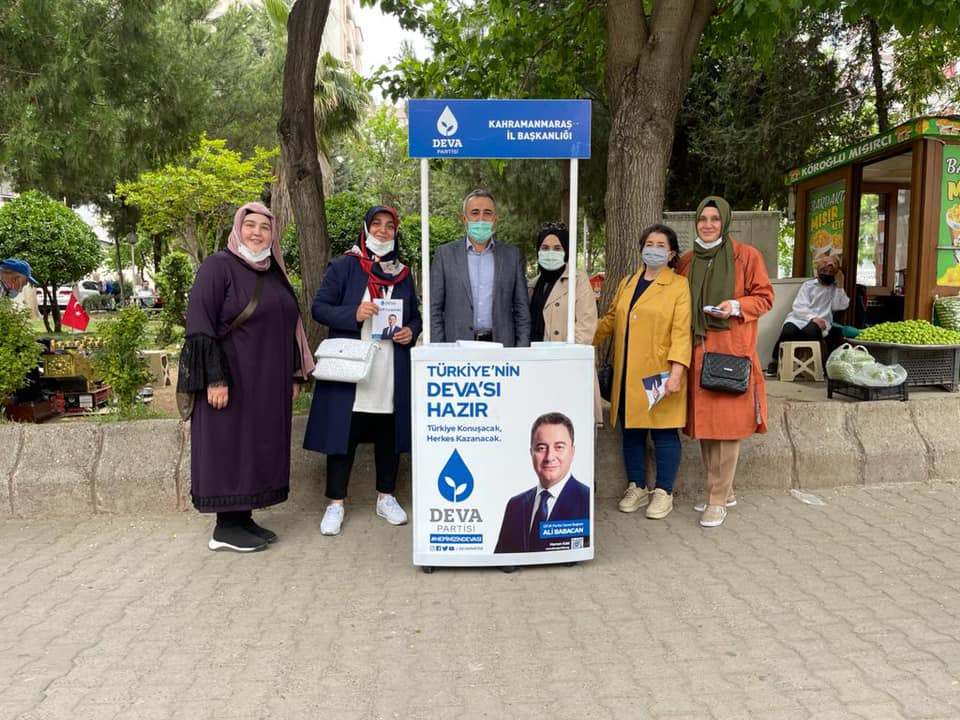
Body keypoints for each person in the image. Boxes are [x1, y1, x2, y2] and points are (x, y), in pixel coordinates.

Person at [179, 202, 315, 552]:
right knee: (229, 446)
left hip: (265, 382)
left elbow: (288, 325)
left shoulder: (273, 273)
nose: (257, 233)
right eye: (250, 225)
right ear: (238, 229)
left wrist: (293, 375)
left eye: (265, 227)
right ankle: (225, 528)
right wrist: (214, 379)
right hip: (230, 380)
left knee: (253, 447)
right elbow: (199, 324)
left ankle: (242, 518)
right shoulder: (218, 267)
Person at [304, 205, 422, 536]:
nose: (383, 231)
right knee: (345, 434)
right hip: (352, 367)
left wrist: (411, 331)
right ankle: (335, 503)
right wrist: (353, 314)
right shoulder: (345, 266)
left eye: (390, 226)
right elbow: (319, 308)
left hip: (390, 366)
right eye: (377, 224)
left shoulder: (403, 273)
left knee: (388, 433)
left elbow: (415, 316)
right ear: (366, 229)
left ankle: (386, 497)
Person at [677, 196, 774, 528]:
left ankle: (716, 500)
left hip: (731, 350)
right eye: (703, 219)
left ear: (725, 222)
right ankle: (724, 490)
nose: (708, 225)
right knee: (706, 426)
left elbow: (765, 297)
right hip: (698, 351)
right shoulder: (688, 260)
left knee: (728, 428)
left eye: (715, 219)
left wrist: (734, 306)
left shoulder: (746, 256)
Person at [593, 224, 691, 520]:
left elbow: (681, 333)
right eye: (650, 244)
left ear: (671, 253)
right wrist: (583, 337)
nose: (654, 250)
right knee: (631, 431)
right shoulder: (627, 282)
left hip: (660, 374)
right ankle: (637, 486)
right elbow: (611, 319)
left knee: (664, 432)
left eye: (661, 245)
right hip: (627, 373)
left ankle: (663, 491)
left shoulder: (678, 286)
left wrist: (677, 373)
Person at [430, 189, 531, 346]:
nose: (481, 219)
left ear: (495, 220)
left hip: (502, 348)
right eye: (475, 213)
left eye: (488, 213)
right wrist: (440, 349)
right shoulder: (445, 255)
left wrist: (521, 349)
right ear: (464, 219)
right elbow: (434, 309)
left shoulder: (512, 256)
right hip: (457, 348)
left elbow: (522, 309)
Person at [528, 223, 602, 423]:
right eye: (545, 248)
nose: (550, 253)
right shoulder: (533, 285)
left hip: (568, 367)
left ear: (566, 251)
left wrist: (566, 358)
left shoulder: (578, 280)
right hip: (537, 368)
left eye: (557, 248)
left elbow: (586, 326)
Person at [494, 412, 590, 553]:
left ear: (572, 451)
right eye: (541, 448)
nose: (549, 457)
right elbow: (502, 556)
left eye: (559, 447)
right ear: (531, 452)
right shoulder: (515, 505)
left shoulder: (587, 500)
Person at [767, 253, 849, 376]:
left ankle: (803, 364)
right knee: (788, 331)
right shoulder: (808, 285)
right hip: (799, 318)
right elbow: (799, 306)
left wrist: (840, 285)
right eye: (825, 263)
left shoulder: (834, 289)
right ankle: (775, 361)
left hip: (821, 323)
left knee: (810, 331)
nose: (829, 266)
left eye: (833, 264)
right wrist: (812, 318)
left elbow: (839, 306)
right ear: (818, 268)